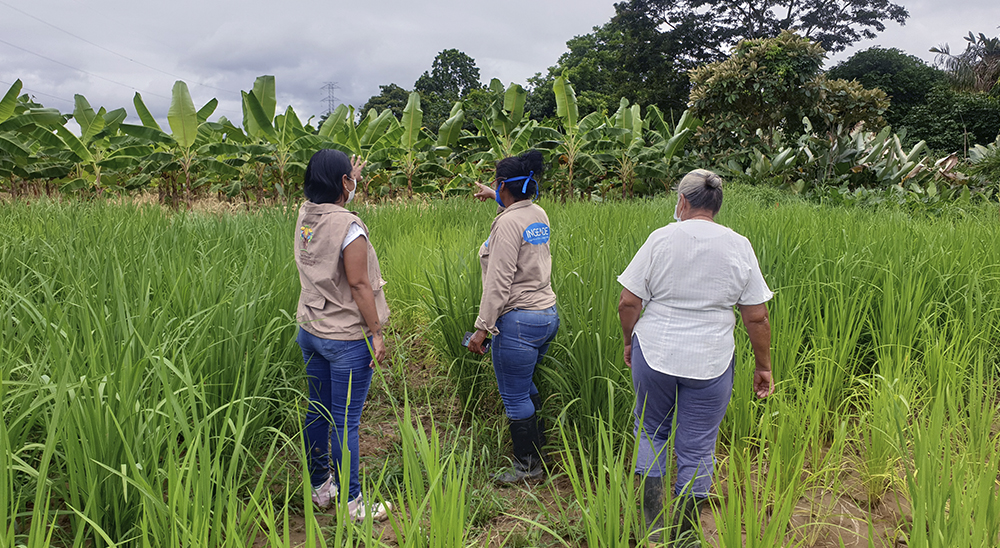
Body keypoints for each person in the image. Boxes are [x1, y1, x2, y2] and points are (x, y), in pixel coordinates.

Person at [617, 169, 774, 545]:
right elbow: (756, 315)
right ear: (717, 204)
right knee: (698, 444)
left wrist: (628, 341)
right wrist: (763, 365)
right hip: (711, 359)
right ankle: (686, 535)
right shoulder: (738, 245)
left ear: (683, 202)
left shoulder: (660, 239)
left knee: (651, 431)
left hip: (654, 352)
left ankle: (653, 526)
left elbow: (628, 301)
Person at [294, 149, 391, 521]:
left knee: (316, 412)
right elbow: (360, 284)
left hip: (311, 329)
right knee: (346, 421)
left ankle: (321, 488)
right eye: (349, 178)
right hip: (346, 338)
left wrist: (352, 177)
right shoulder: (351, 227)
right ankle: (353, 503)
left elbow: (332, 203)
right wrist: (376, 333)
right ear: (343, 184)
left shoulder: (306, 214)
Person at [467, 150, 559, 484]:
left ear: (505, 184)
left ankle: (528, 466)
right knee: (525, 385)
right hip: (546, 316)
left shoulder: (506, 223)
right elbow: (516, 210)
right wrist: (496, 195)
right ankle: (539, 451)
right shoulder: (538, 213)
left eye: (497, 185)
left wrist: (482, 329)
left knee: (515, 395)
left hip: (518, 322)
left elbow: (498, 282)